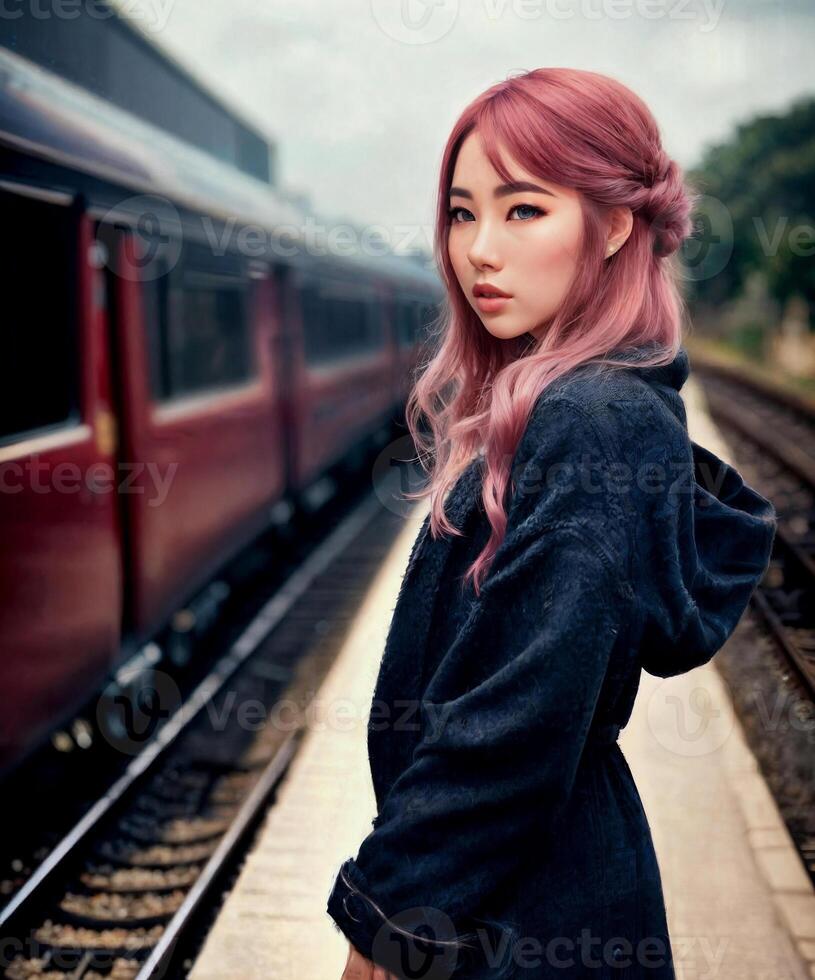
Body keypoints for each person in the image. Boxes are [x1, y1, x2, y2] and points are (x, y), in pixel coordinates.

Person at [326, 67, 777, 979]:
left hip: (520, 918)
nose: (477, 250)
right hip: (537, 892)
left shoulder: (588, 418)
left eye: (522, 210)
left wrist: (388, 919)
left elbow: (516, 726)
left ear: (614, 225)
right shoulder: (587, 401)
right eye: (461, 214)